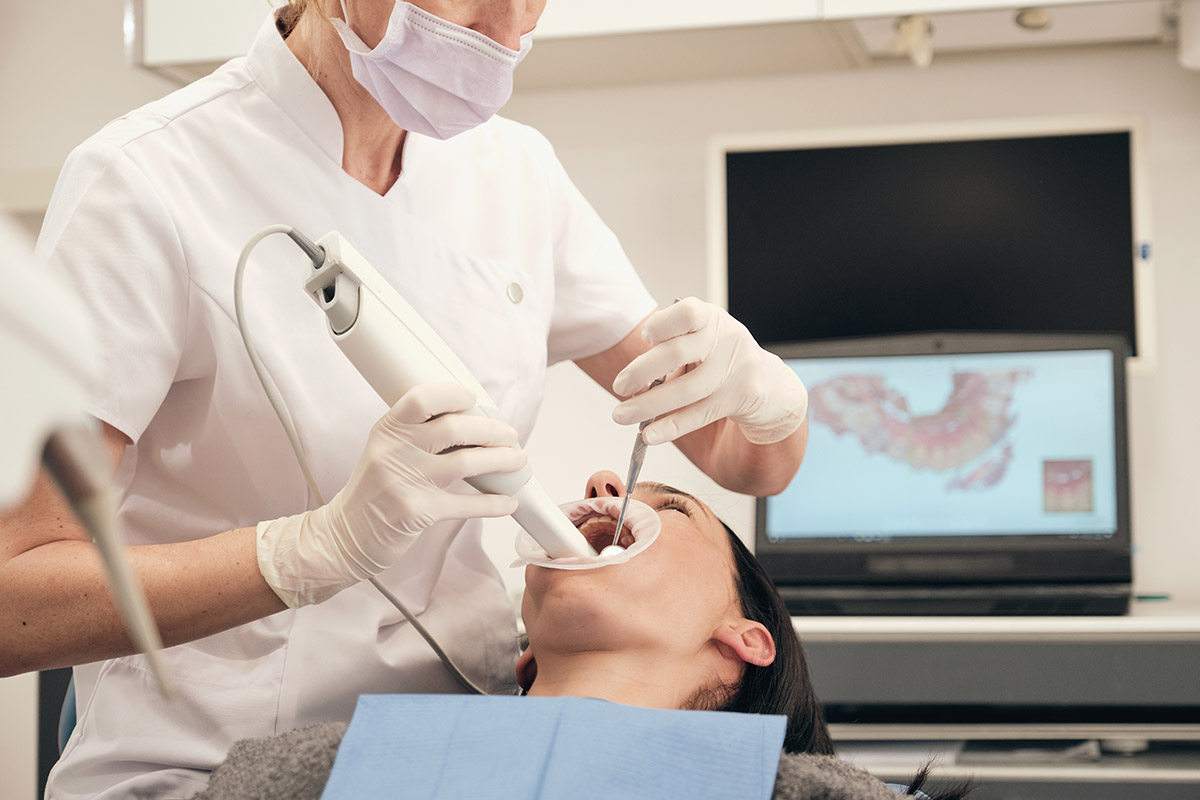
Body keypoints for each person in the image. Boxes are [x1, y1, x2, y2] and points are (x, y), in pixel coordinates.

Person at [0, 1, 812, 797]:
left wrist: (771, 400)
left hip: (467, 748)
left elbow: (740, 455)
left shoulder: (515, 174)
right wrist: (306, 552)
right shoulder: (147, 180)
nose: (509, 33)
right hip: (207, 763)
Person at [190, 474, 972, 800]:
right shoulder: (303, 776)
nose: (602, 487)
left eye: (672, 505)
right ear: (524, 652)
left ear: (746, 638)